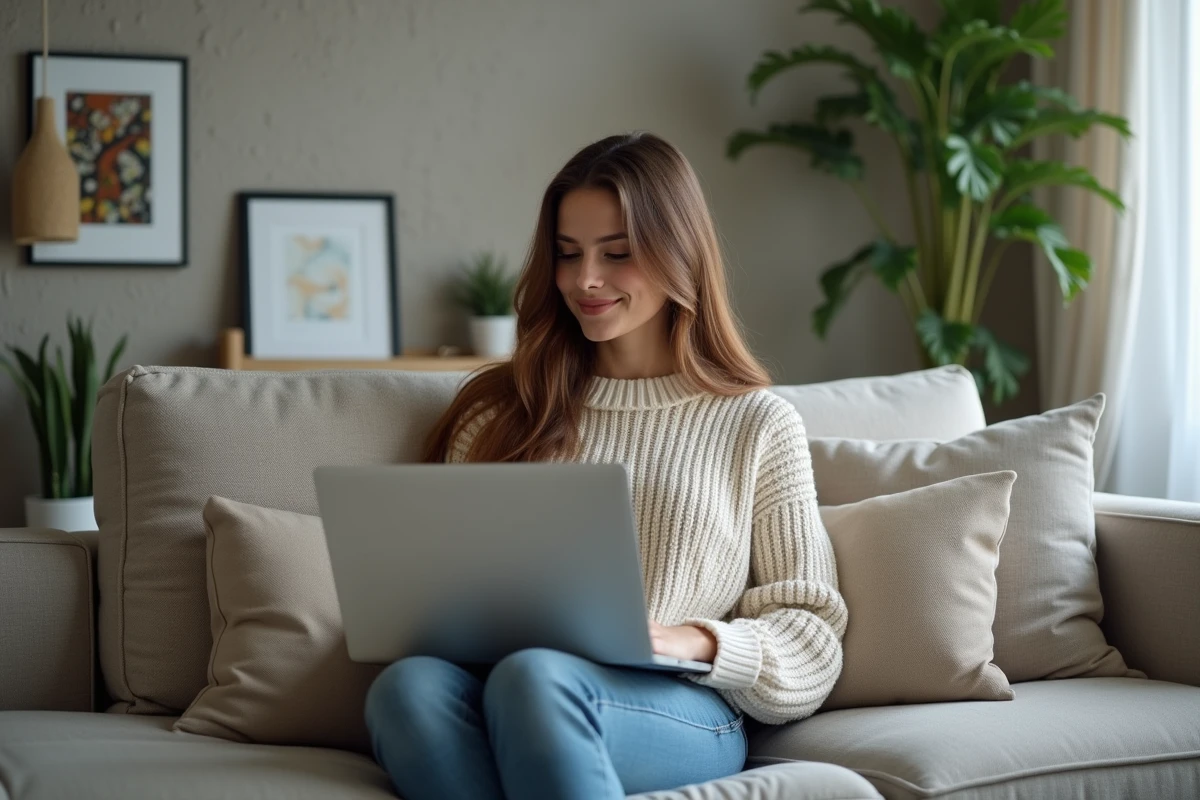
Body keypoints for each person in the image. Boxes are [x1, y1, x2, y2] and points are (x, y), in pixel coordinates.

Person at [363, 131, 847, 800]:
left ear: (679, 255)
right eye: (568, 254)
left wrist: (692, 641)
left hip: (679, 708)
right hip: (506, 684)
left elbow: (812, 638)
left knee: (536, 677)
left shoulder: (756, 424)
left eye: (617, 254)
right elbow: (440, 602)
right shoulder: (500, 412)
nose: (585, 279)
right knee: (406, 689)